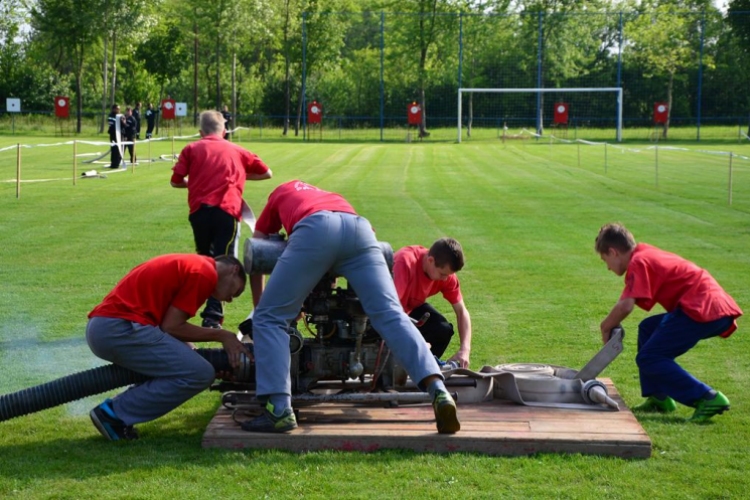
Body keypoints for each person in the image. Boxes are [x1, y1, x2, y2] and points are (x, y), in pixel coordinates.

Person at [244, 180, 460, 434]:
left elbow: (257, 251)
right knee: (392, 315)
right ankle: (438, 389)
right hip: (361, 229)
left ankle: (279, 410)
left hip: (316, 227)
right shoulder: (329, 196)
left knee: (271, 318)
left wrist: (262, 308)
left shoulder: (281, 192)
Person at [87, 254, 251, 441]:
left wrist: (195, 357)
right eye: (237, 292)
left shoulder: (196, 265)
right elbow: (172, 327)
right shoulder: (205, 273)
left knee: (190, 366)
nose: (231, 299)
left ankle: (115, 413)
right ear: (234, 270)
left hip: (109, 326)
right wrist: (223, 335)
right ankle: (113, 414)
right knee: (199, 373)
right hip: (119, 328)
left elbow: (168, 329)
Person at [595, 223, 742, 423]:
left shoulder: (639, 262)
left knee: (650, 357)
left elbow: (626, 306)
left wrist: (605, 326)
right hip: (709, 305)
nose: (607, 267)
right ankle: (659, 397)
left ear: (613, 252)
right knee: (647, 328)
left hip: (701, 309)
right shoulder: (643, 254)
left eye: (606, 260)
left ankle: (707, 397)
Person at [171, 110, 272, 329]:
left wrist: (197, 182)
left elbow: (176, 181)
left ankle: (199, 310)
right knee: (225, 262)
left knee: (205, 261)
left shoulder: (191, 149)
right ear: (224, 131)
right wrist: (239, 176)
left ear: (200, 132)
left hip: (199, 213)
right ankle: (213, 316)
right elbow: (267, 173)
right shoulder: (237, 150)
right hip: (226, 210)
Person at [393, 238, 473, 368]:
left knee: (442, 330)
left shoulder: (445, 274)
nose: (446, 279)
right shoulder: (405, 262)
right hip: (381, 311)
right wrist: (416, 342)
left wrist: (465, 349)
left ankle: (420, 369)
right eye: (442, 274)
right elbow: (391, 312)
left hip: (407, 308)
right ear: (430, 260)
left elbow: (462, 311)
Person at [107, 103, 125, 169]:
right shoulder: (111, 115)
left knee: (119, 149)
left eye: (119, 109)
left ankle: (117, 163)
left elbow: (124, 125)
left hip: (120, 134)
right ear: (114, 109)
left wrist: (122, 120)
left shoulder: (120, 116)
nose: (119, 110)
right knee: (114, 149)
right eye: (117, 109)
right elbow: (112, 124)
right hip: (113, 134)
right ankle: (113, 163)